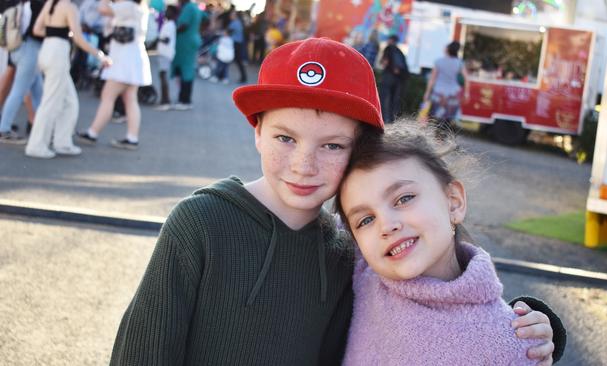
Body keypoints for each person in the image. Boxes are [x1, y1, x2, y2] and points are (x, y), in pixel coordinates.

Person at [108, 38, 563, 365]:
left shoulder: (352, 249)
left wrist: (534, 326)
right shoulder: (200, 223)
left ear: (357, 152)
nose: (304, 165)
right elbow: (142, 351)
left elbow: (430, 301)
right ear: (257, 132)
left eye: (332, 146)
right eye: (285, 138)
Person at [336, 123, 565, 365]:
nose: (386, 225)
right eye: (366, 220)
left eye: (404, 198)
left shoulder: (508, 342)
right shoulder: (362, 270)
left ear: (453, 202)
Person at [24, 0, 110, 158]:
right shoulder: (69, 8)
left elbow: (37, 29)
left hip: (47, 50)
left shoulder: (50, 4)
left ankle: (62, 142)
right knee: (51, 102)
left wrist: (58, 33)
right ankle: (36, 145)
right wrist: (100, 55)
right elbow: (79, 39)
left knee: (69, 102)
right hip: (58, 54)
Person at [76, 0, 152, 150]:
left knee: (108, 95)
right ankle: (132, 137)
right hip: (132, 59)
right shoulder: (138, 7)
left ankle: (93, 132)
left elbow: (102, 8)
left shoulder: (128, 6)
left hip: (124, 60)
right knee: (130, 99)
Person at [0, 0, 45, 144]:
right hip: (30, 50)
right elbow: (37, 31)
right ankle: (4, 129)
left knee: (37, 91)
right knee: (20, 91)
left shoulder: (26, 4)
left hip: (20, 49)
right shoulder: (39, 4)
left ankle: (41, 128)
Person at [423, 41, 470, 130]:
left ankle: (429, 136)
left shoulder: (439, 61)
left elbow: (432, 79)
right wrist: (466, 94)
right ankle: (441, 139)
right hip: (453, 94)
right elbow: (467, 79)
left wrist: (427, 92)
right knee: (448, 118)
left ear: (447, 49)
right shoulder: (459, 63)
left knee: (432, 115)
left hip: (438, 93)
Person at [169, 0, 202, 110]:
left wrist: (172, 31)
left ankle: (184, 100)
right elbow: (206, 20)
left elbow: (183, 25)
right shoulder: (195, 7)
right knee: (187, 71)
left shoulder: (188, 8)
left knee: (185, 72)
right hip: (191, 40)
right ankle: (184, 99)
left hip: (186, 43)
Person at [153, 4, 177, 111]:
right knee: (162, 76)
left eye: (167, 11)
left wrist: (157, 39)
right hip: (164, 53)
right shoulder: (169, 24)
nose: (165, 12)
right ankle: (164, 100)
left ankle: (165, 101)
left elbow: (166, 40)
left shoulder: (170, 25)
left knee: (163, 77)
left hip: (165, 54)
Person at [379, 34, 408, 123]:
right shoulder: (400, 51)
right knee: (394, 99)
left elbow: (385, 62)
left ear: (390, 40)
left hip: (388, 76)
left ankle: (383, 119)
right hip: (398, 79)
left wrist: (382, 64)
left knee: (384, 98)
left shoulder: (388, 48)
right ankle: (392, 119)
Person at [228, 10, 247, 84]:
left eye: (231, 15)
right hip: (238, 43)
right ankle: (243, 77)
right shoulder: (238, 22)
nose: (230, 16)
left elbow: (228, 32)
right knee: (238, 60)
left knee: (238, 60)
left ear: (235, 16)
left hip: (236, 43)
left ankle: (243, 77)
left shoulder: (234, 23)